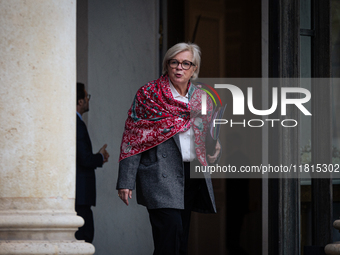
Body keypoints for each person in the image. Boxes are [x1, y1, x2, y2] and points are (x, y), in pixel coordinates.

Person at [116, 42, 221, 255]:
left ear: (194, 69)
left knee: (180, 239)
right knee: (169, 235)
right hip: (160, 174)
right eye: (174, 62)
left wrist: (214, 148)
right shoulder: (148, 94)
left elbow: (207, 135)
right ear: (167, 65)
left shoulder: (201, 98)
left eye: (185, 63)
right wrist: (126, 180)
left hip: (190, 174)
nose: (179, 67)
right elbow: (133, 136)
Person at [75, 82, 109, 243]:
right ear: (80, 101)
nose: (88, 100)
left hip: (77, 196)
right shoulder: (77, 124)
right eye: (86, 96)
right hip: (80, 196)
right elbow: (85, 159)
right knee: (85, 237)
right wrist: (100, 157)